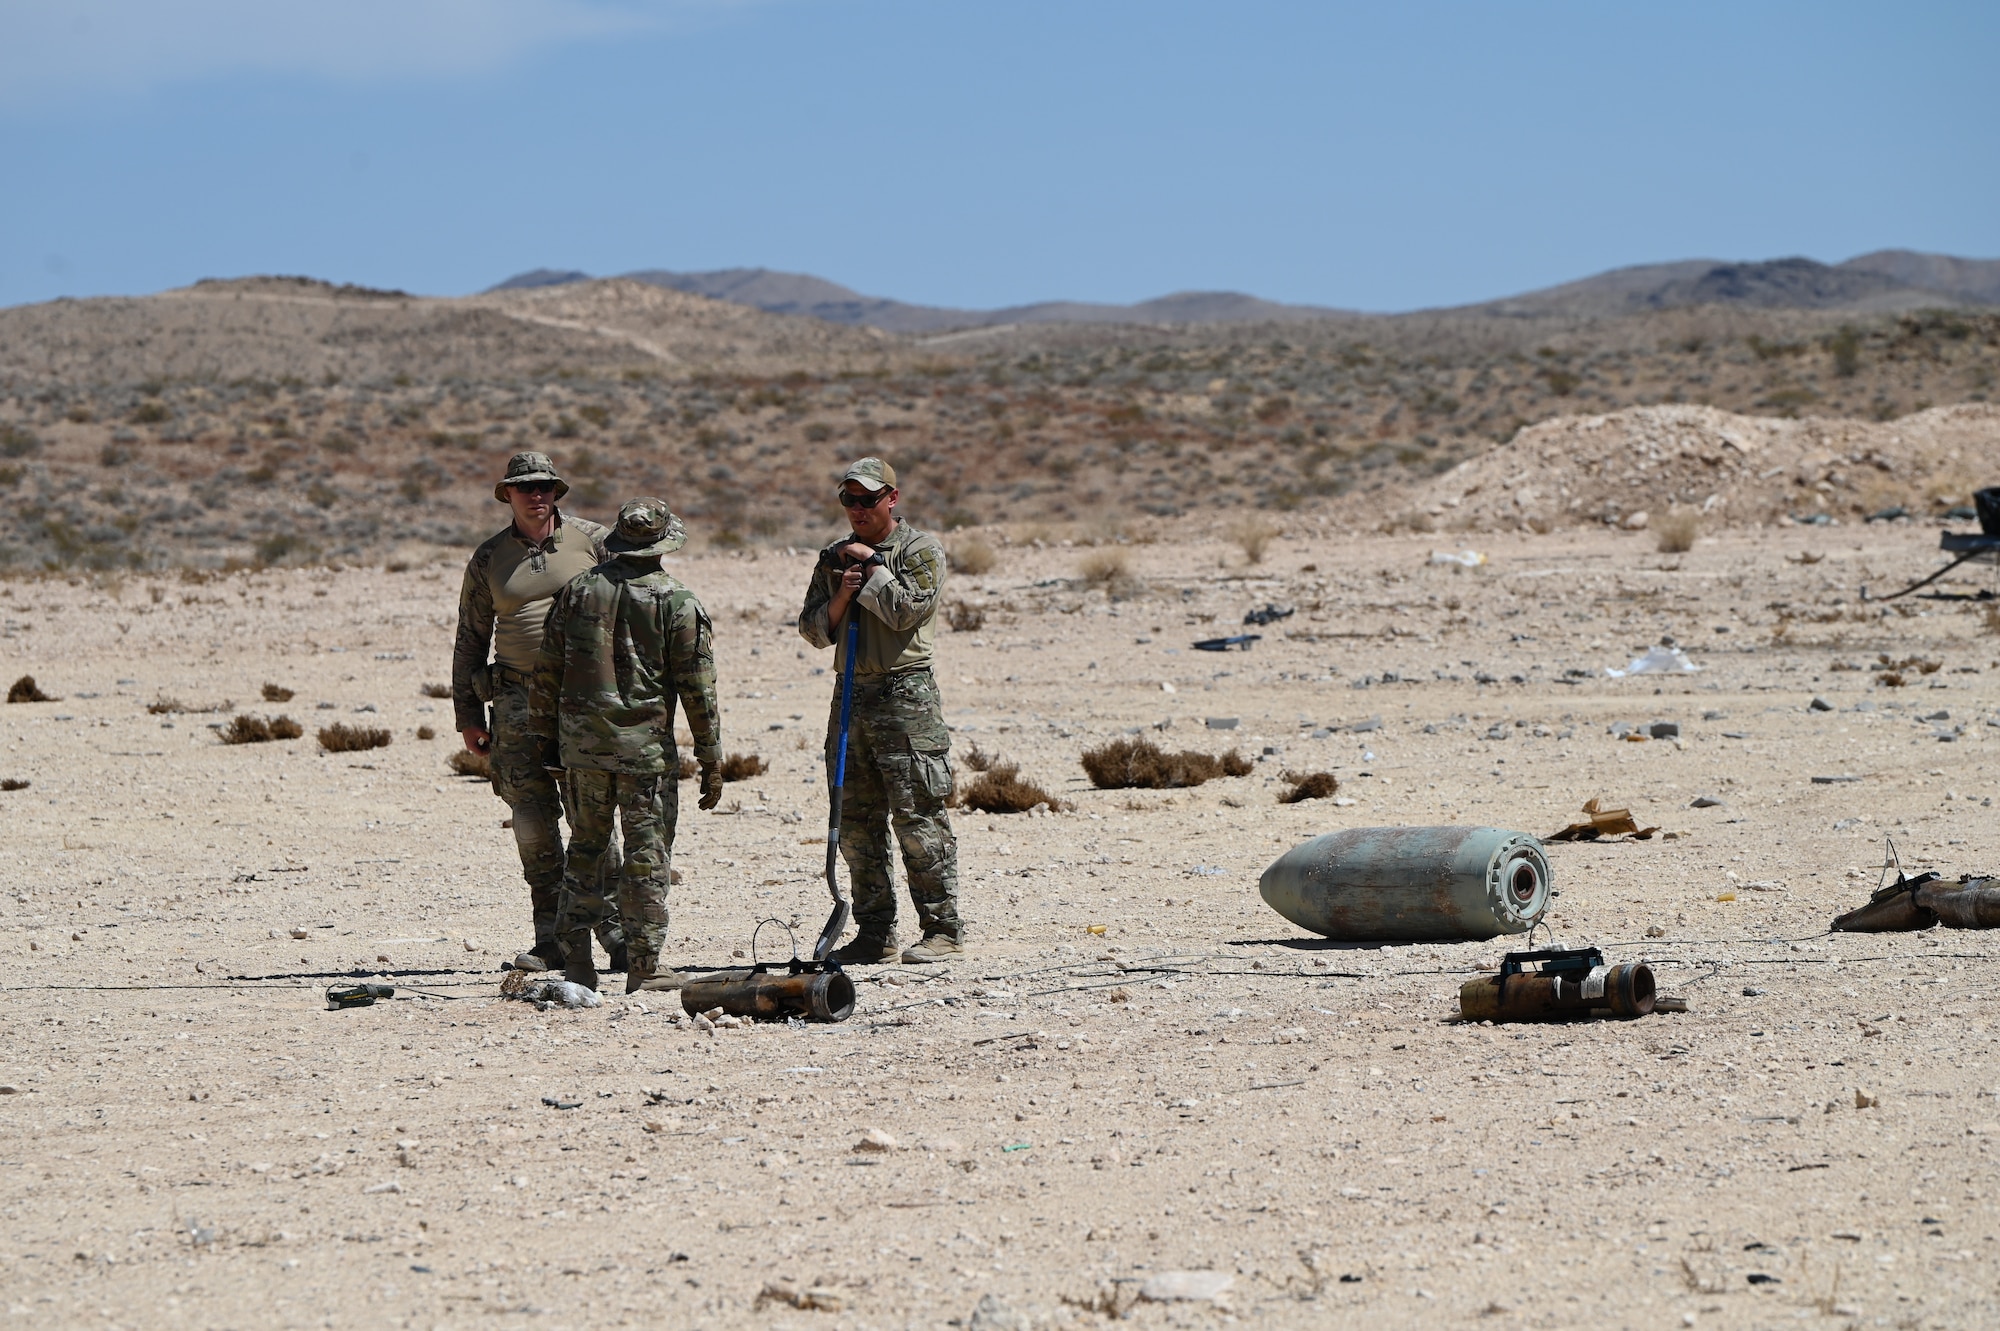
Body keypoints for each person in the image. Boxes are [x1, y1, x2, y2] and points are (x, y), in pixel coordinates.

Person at [528, 497, 724, 993]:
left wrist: (544, 740)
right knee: (647, 856)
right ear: (663, 544)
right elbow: (699, 689)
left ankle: (577, 962)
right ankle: (643, 964)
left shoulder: (576, 592)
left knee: (586, 849)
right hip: (645, 754)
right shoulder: (678, 601)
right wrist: (711, 757)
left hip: (583, 750)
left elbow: (546, 671)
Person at [452, 452, 623, 974]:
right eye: (524, 487)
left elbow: (639, 604)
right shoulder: (488, 559)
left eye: (545, 486)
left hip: (584, 699)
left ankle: (617, 932)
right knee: (531, 819)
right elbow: (470, 638)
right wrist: (468, 715)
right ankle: (553, 939)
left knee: (592, 815)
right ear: (507, 495)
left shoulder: (595, 542)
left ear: (557, 491)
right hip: (515, 701)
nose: (536, 495)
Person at [797, 457, 963, 964]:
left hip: (905, 695)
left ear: (892, 498)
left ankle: (942, 929)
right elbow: (811, 629)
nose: (857, 509)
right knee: (855, 821)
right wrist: (842, 596)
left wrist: (869, 568)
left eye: (867, 499)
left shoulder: (918, 550)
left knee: (918, 817)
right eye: (849, 500)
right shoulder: (834, 556)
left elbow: (906, 611)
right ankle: (875, 931)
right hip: (850, 694)